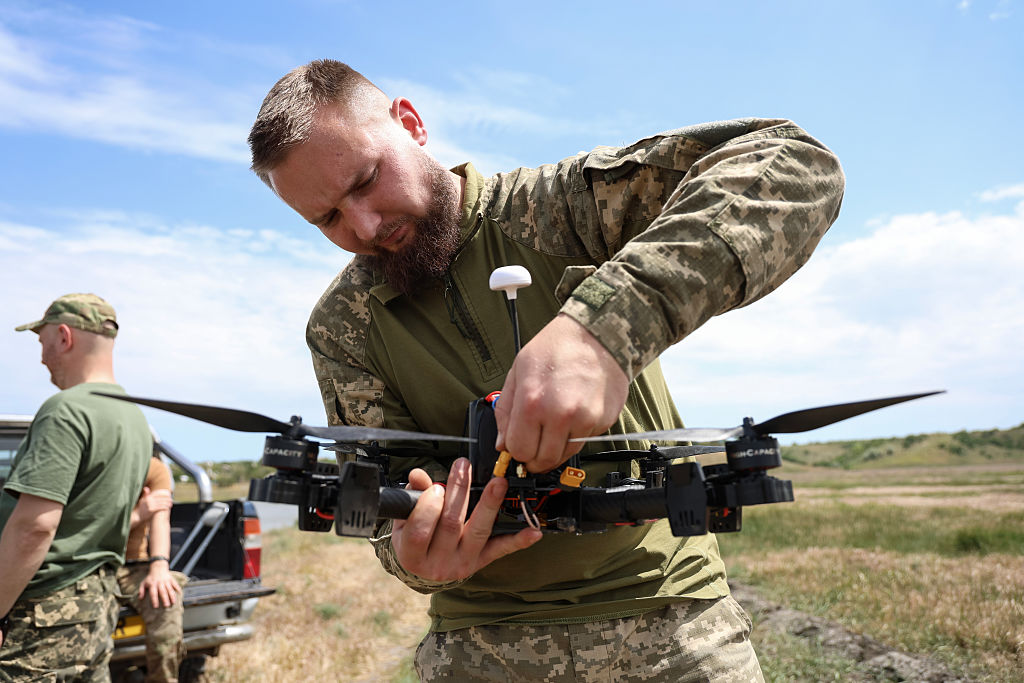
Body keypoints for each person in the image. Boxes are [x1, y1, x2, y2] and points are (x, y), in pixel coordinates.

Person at [248, 59, 845, 681]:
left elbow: (796, 165)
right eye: (328, 220)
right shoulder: (341, 326)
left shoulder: (559, 208)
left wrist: (604, 329)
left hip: (676, 626)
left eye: (367, 181)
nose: (365, 226)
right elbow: (380, 497)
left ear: (411, 124)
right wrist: (413, 553)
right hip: (480, 647)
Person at [0, 294, 152, 681]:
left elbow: (36, 526)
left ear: (64, 337)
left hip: (41, 612)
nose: (42, 357)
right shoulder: (134, 417)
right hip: (96, 608)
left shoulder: (66, 409)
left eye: (42, 342)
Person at [116, 456, 187, 683]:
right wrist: (137, 515)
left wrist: (159, 566)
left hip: (137, 566)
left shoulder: (153, 467)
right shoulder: (88, 463)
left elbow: (161, 519)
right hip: (93, 562)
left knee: (166, 602)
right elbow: (87, 534)